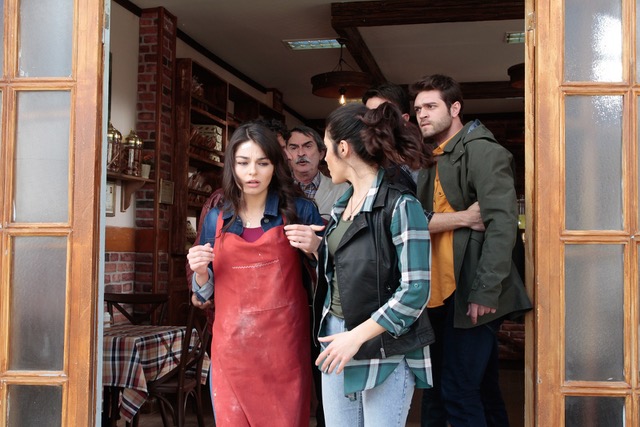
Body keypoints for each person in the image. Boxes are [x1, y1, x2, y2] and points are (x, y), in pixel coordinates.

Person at [287, 102, 434, 426]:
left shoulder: (402, 205)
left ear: (343, 148)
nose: (324, 158)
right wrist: (318, 249)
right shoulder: (341, 206)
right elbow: (347, 269)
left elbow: (416, 291)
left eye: (325, 148)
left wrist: (356, 336)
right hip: (335, 336)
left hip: (382, 341)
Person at [410, 74, 532, 427]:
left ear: (455, 107)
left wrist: (485, 290)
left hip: (471, 296)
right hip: (437, 296)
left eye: (431, 106)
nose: (422, 115)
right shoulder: (431, 157)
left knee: (458, 391)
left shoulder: (483, 150)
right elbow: (417, 221)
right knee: (456, 389)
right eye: (418, 108)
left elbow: (503, 226)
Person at [187, 122, 324, 427]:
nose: (252, 173)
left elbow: (336, 279)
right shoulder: (216, 217)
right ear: (231, 167)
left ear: (276, 166)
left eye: (262, 163)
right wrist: (199, 275)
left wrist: (317, 248)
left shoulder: (298, 211)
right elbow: (202, 296)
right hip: (231, 352)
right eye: (243, 163)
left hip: (284, 354)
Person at [287, 125, 349, 222]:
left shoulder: (343, 190)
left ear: (321, 154)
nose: (301, 153)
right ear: (286, 155)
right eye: (294, 148)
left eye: (307, 146)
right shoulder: (278, 188)